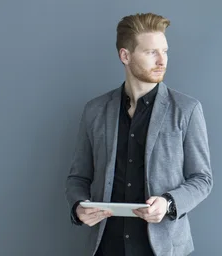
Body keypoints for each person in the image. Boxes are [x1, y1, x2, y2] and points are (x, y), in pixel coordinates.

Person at [65, 13, 213, 256]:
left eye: (164, 51)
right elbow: (78, 177)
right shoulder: (95, 110)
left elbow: (202, 179)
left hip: (163, 248)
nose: (161, 60)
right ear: (125, 56)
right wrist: (79, 206)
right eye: (150, 52)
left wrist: (168, 203)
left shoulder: (187, 109)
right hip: (105, 246)